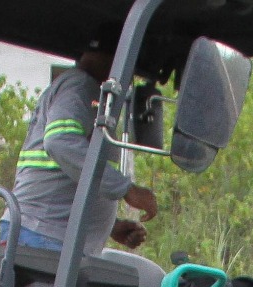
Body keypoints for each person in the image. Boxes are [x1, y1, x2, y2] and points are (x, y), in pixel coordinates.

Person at [12, 43, 162, 254]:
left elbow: (71, 173)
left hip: (51, 234)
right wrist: (127, 189)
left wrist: (111, 227)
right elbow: (61, 141)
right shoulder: (80, 87)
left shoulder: (82, 90)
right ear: (114, 58)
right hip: (45, 235)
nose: (128, 79)